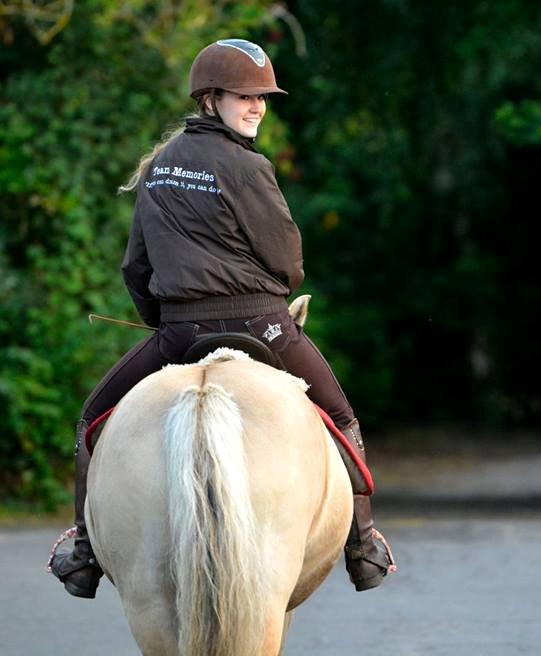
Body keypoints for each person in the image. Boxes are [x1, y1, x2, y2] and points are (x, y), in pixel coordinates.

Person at [50, 38, 395, 598]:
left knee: (92, 421)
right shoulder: (249, 166)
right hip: (262, 323)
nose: (257, 106)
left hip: (178, 331)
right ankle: (363, 546)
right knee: (341, 416)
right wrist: (273, 301)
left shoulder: (159, 167)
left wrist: (163, 321)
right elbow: (288, 262)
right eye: (245, 97)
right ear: (211, 99)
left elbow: (136, 267)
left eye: (263, 98)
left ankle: (85, 551)